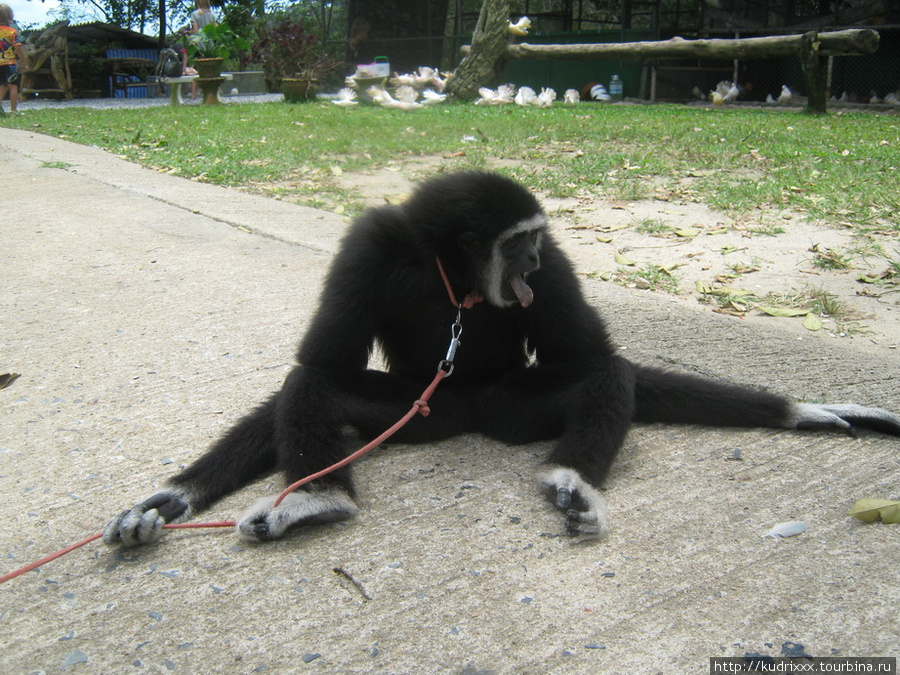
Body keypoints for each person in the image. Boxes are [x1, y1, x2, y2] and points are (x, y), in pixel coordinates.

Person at [0, 3, 27, 114]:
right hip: (10, 63)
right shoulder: (12, 32)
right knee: (13, 86)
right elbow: (18, 49)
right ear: (10, 16)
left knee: (2, 85)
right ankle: (14, 111)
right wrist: (24, 62)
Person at [188, 0, 217, 100]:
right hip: (210, 47)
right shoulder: (212, 15)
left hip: (200, 46)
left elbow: (195, 31)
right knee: (212, 69)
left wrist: (189, 33)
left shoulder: (195, 14)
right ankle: (214, 92)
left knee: (196, 70)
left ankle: (193, 94)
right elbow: (216, 29)